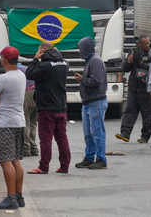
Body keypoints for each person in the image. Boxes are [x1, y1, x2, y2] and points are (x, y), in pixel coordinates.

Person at [0, 46, 26, 210]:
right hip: (18, 122)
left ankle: (10, 198)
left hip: (4, 124)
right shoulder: (21, 75)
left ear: (4, 60)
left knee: (5, 161)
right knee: (15, 160)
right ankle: (18, 195)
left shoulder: (4, 78)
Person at [25, 42, 71, 174]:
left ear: (42, 51)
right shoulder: (64, 64)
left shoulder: (44, 66)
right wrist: (56, 53)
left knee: (46, 138)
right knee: (62, 137)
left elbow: (29, 73)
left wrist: (35, 58)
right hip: (61, 107)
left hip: (47, 108)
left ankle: (43, 166)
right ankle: (64, 165)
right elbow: (59, 60)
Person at [74, 37, 108, 170]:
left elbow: (96, 81)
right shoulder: (90, 61)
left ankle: (101, 159)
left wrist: (82, 80)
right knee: (88, 133)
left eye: (80, 49)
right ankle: (89, 157)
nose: (79, 52)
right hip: (89, 102)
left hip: (96, 102)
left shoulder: (95, 61)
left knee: (97, 132)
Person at [117, 35, 151, 143]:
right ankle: (125, 133)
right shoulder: (133, 52)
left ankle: (145, 136)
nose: (147, 45)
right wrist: (129, 62)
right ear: (139, 43)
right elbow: (125, 69)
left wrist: (141, 62)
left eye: (148, 43)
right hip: (133, 87)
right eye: (145, 43)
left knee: (147, 113)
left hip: (145, 87)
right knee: (129, 110)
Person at [18, 62, 37, 157]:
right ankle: (34, 147)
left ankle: (26, 148)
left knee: (26, 120)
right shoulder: (25, 68)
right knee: (33, 121)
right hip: (37, 92)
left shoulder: (15, 70)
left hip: (28, 93)